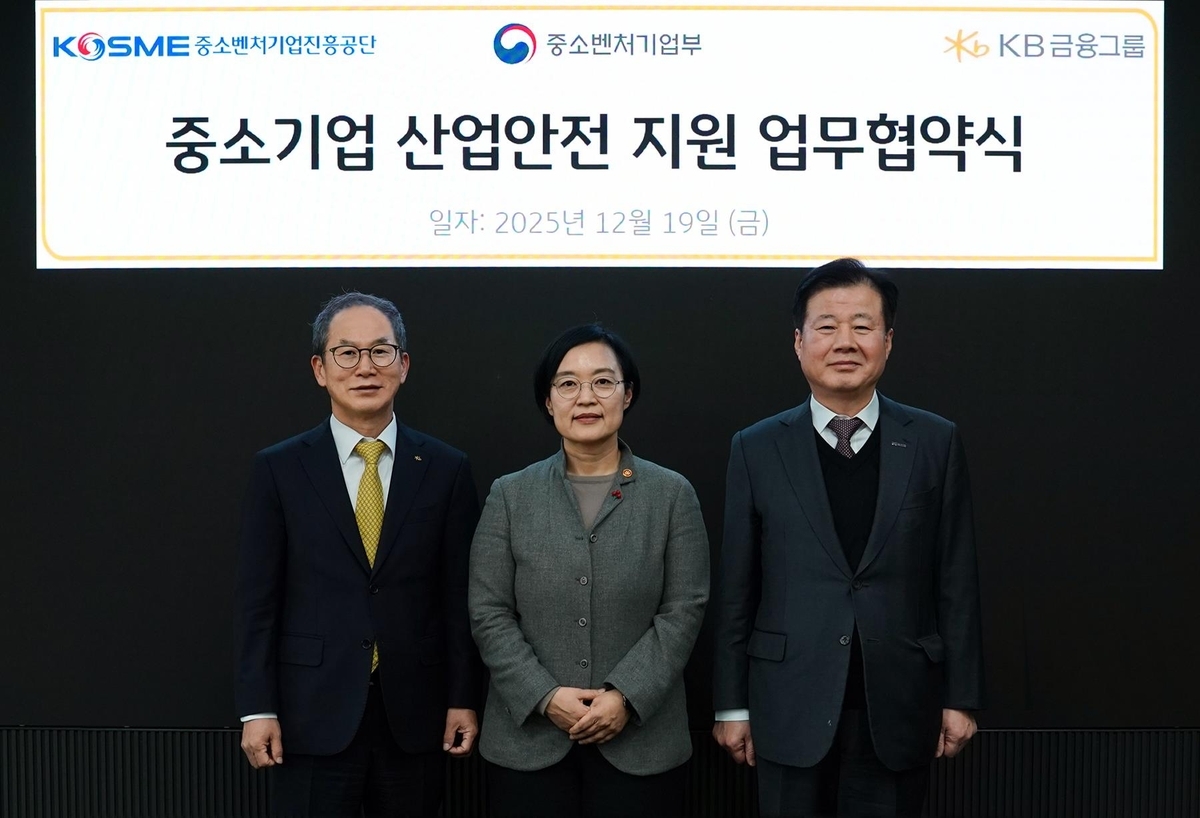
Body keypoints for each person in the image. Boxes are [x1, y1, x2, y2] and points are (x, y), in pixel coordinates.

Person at [711, 259, 985, 818]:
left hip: (899, 703)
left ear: (888, 341)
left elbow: (956, 580)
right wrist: (731, 706)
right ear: (799, 342)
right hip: (787, 701)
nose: (845, 342)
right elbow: (737, 587)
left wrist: (961, 696)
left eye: (862, 326)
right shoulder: (756, 447)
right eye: (827, 326)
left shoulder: (934, 441)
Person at [234, 292, 483, 818]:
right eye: (347, 353)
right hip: (309, 714)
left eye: (380, 351)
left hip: (416, 714)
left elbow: (460, 596)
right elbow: (258, 601)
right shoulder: (279, 469)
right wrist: (257, 708)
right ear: (320, 369)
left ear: (404, 365)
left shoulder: (446, 468)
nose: (365, 367)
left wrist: (463, 696)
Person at [468, 324, 709, 818]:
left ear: (627, 394)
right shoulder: (510, 495)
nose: (586, 397)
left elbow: (684, 610)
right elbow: (488, 611)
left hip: (643, 744)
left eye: (602, 381)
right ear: (548, 400)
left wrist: (626, 696)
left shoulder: (671, 494)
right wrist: (544, 696)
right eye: (567, 384)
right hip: (528, 745)